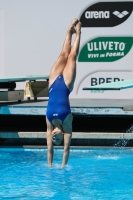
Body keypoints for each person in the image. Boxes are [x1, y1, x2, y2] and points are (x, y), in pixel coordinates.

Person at [46, 18, 81, 168]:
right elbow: (66, 149)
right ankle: (78, 32)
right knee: (72, 57)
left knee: (62, 54)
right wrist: (62, 167)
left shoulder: (49, 123)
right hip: (66, 85)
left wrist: (49, 166)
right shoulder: (67, 126)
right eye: (57, 139)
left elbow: (49, 150)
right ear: (62, 135)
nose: (54, 139)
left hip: (53, 84)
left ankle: (68, 31)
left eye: (54, 140)